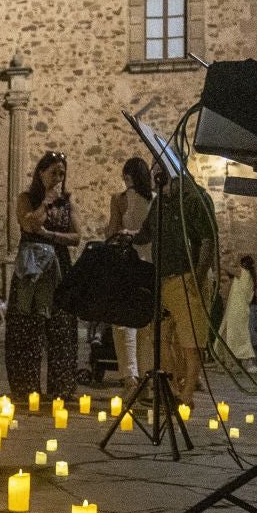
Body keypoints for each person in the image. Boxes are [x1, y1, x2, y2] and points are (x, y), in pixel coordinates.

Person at [126, 164, 217, 405]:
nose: (154, 172)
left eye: (159, 166)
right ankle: (173, 389)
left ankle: (186, 396)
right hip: (163, 279)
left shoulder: (194, 199)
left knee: (190, 342)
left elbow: (208, 239)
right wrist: (128, 236)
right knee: (160, 337)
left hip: (187, 277)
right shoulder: (159, 203)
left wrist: (197, 277)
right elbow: (147, 232)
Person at [6, 151, 82, 402]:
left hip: (59, 266)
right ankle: (25, 387)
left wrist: (50, 235)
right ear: (41, 173)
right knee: (27, 325)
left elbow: (76, 236)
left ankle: (62, 386)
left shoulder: (68, 203)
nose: (59, 178)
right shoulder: (26, 199)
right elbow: (28, 224)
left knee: (61, 326)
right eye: (54, 172)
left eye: (62, 173)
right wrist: (46, 202)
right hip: (32, 269)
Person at [104, 156, 156, 384]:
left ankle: (129, 374)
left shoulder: (120, 199)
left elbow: (112, 232)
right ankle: (147, 371)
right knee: (147, 321)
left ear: (127, 176)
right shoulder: (155, 200)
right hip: (150, 263)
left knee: (124, 321)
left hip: (127, 263)